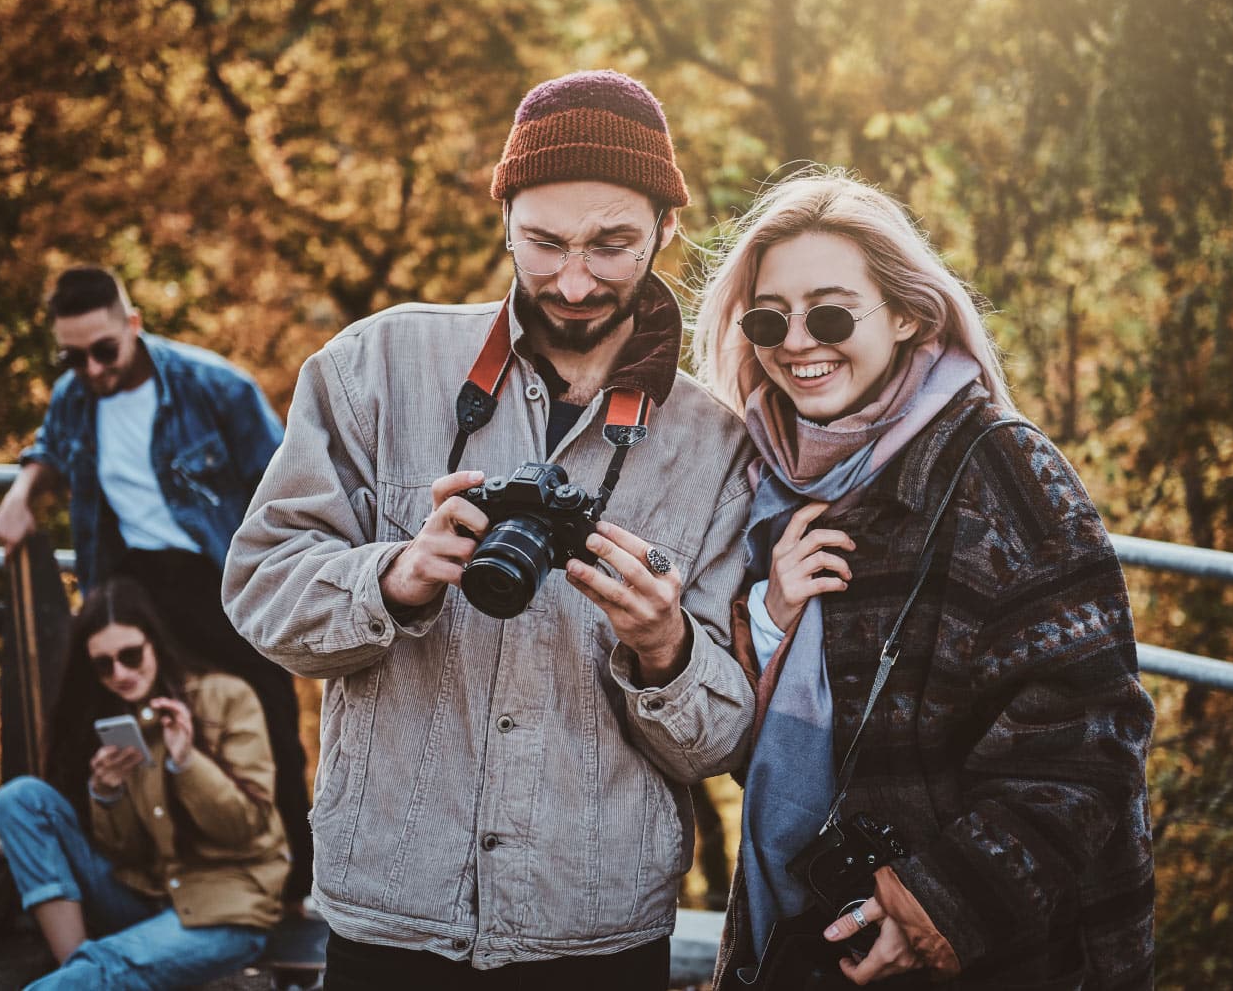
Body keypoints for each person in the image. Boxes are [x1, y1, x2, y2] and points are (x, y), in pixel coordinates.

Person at [221, 70, 755, 990]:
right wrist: (394, 577)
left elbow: (720, 743)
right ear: (502, 215)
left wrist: (667, 648)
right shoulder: (374, 366)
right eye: (543, 243)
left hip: (596, 928)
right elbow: (260, 592)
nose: (575, 279)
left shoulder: (717, 446)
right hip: (389, 907)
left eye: (613, 244)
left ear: (668, 228)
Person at [691, 168, 1155, 989]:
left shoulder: (1001, 469)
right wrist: (770, 612)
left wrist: (937, 905)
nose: (797, 340)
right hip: (811, 932)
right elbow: (739, 748)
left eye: (831, 312)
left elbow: (1092, 725)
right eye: (770, 317)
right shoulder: (767, 486)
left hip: (995, 950)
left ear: (909, 314)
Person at [0, 265, 313, 903]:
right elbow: (49, 446)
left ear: (132, 326)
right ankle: (140, 876)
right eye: (72, 356)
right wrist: (23, 490)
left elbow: (290, 478)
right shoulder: (75, 394)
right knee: (109, 711)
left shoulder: (213, 386)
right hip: (128, 580)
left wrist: (283, 576)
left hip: (219, 577)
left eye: (104, 350)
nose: (92, 368)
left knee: (267, 713)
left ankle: (293, 882)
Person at [0, 577, 289, 989]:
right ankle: (76, 972)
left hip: (227, 911)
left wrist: (187, 762)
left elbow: (246, 828)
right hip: (146, 897)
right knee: (20, 798)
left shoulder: (227, 697)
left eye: (131, 655)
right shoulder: (118, 719)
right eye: (104, 664)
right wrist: (106, 795)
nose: (120, 673)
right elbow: (124, 852)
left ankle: (82, 977)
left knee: (104, 969)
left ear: (154, 644)